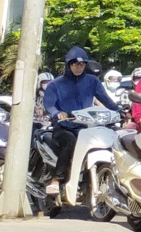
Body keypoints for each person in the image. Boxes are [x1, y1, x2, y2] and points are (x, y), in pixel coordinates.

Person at [41, 47, 118, 194]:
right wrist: (57, 113)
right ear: (68, 65)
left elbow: (106, 100)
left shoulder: (93, 81)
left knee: (112, 138)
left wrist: (119, 110)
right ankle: (57, 179)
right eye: (75, 64)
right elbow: (49, 104)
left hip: (87, 128)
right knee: (70, 142)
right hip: (65, 127)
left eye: (82, 65)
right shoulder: (55, 84)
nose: (78, 67)